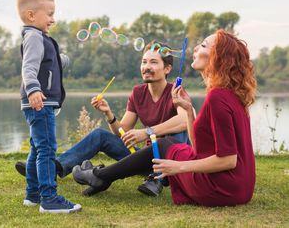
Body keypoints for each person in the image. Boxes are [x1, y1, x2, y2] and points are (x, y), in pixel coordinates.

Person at [73, 30, 257, 207]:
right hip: (238, 188)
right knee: (165, 144)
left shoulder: (217, 97)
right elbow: (200, 147)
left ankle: (99, 176)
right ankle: (100, 176)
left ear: (218, 56)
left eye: (203, 45)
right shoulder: (230, 94)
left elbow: (228, 160)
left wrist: (178, 167)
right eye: (144, 62)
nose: (195, 48)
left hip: (219, 188)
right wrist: (188, 112)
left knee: (164, 144)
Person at [16, 41, 189, 197]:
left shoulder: (176, 91)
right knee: (99, 135)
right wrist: (109, 114)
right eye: (144, 62)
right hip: (142, 158)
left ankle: (157, 179)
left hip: (169, 160)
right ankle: (53, 168)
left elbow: (184, 121)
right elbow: (124, 132)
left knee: (178, 131)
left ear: (167, 69)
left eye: (153, 62)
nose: (146, 66)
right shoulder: (138, 93)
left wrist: (147, 132)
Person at [16, 0, 81, 213]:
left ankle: (32, 195)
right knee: (47, 149)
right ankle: (49, 198)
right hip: (40, 101)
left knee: (37, 148)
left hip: (39, 102)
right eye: (50, 14)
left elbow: (46, 65)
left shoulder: (38, 36)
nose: (53, 19)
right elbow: (30, 67)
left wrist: (60, 60)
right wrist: (33, 89)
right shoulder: (34, 36)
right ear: (32, 15)